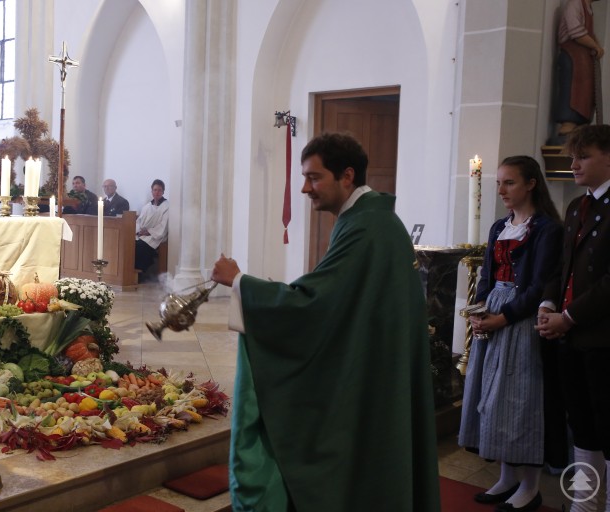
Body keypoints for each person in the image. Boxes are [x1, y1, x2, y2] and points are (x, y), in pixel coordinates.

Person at [210, 132, 440, 511]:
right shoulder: (370, 220)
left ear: (346, 176)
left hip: (372, 376)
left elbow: (315, 306)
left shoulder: (367, 227)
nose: (305, 188)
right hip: (377, 370)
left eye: (314, 178)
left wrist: (240, 282)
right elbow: (337, 299)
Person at [458, 156, 564, 512]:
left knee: (521, 401)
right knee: (495, 399)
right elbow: (487, 276)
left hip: (522, 320)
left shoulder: (547, 229)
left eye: (509, 182)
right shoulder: (498, 227)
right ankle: (507, 478)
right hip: (494, 315)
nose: (501, 190)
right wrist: (479, 310)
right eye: (499, 183)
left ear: (531, 184)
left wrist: (503, 317)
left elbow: (539, 286)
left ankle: (530, 487)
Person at [537, 124, 610, 511]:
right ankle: (585, 502)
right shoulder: (576, 206)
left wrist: (569, 316)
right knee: (581, 426)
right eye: (572, 157)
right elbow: (562, 267)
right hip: (572, 337)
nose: (574, 164)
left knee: (607, 426)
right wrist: (548, 305)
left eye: (583, 156)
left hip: (603, 338)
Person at [552, 0, 604, 140]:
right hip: (573, 57)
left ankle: (580, 123)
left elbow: (589, 34)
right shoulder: (575, 4)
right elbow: (575, 31)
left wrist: (596, 46)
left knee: (585, 91)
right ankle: (568, 123)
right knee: (572, 89)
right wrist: (595, 46)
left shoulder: (588, 8)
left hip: (583, 58)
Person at [134, 179, 168, 274]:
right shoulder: (147, 206)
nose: (157, 192)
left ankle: (140, 273)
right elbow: (138, 222)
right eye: (155, 190)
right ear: (152, 191)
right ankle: (130, 271)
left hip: (155, 236)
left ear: (163, 192)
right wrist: (139, 232)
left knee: (140, 247)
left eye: (159, 190)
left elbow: (163, 226)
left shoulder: (166, 206)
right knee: (130, 244)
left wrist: (148, 232)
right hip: (142, 235)